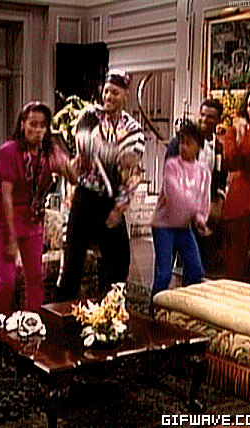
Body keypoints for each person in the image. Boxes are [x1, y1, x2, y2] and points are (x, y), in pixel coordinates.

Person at [56, 69, 145, 302]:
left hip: (110, 201)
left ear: (125, 95)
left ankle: (109, 312)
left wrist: (119, 208)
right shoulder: (89, 115)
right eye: (106, 91)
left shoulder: (133, 129)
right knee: (72, 265)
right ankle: (62, 311)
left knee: (119, 264)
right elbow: (84, 148)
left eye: (115, 92)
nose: (108, 97)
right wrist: (114, 154)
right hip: (84, 197)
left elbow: (131, 171)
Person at [0, 101, 77, 313]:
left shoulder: (49, 152)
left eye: (42, 126)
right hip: (7, 219)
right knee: (6, 282)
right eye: (33, 124)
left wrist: (66, 164)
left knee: (36, 279)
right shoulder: (8, 151)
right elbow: (6, 196)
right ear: (23, 124)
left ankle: (33, 323)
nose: (37, 130)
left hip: (33, 219)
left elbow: (74, 179)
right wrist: (11, 239)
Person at [150, 121, 211, 306]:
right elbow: (175, 196)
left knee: (195, 269)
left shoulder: (203, 172)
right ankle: (156, 307)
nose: (183, 147)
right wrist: (194, 212)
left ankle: (185, 307)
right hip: (163, 226)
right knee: (164, 273)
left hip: (184, 227)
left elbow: (202, 199)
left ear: (198, 147)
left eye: (188, 143)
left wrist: (200, 219)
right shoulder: (172, 165)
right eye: (182, 142)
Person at [165, 99, 228, 275]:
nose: (204, 119)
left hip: (202, 211)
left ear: (218, 120)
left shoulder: (218, 148)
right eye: (202, 114)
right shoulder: (181, 141)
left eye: (210, 117)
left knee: (196, 262)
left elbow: (220, 177)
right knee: (168, 260)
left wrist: (218, 200)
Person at [220, 85, 250, 287]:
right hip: (240, 201)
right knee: (235, 258)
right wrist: (239, 141)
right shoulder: (236, 131)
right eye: (248, 105)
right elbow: (230, 163)